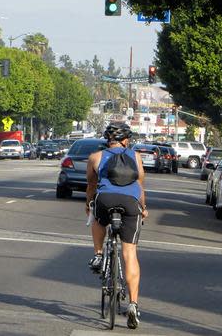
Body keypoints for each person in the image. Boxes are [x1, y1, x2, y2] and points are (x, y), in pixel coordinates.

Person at [86, 123, 148, 329]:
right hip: (131, 203)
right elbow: (140, 185)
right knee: (130, 253)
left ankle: (98, 253)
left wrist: (89, 204)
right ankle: (133, 304)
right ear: (126, 140)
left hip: (105, 200)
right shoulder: (136, 157)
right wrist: (143, 208)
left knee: (96, 214)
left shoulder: (96, 157)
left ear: (107, 139)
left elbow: (91, 185)